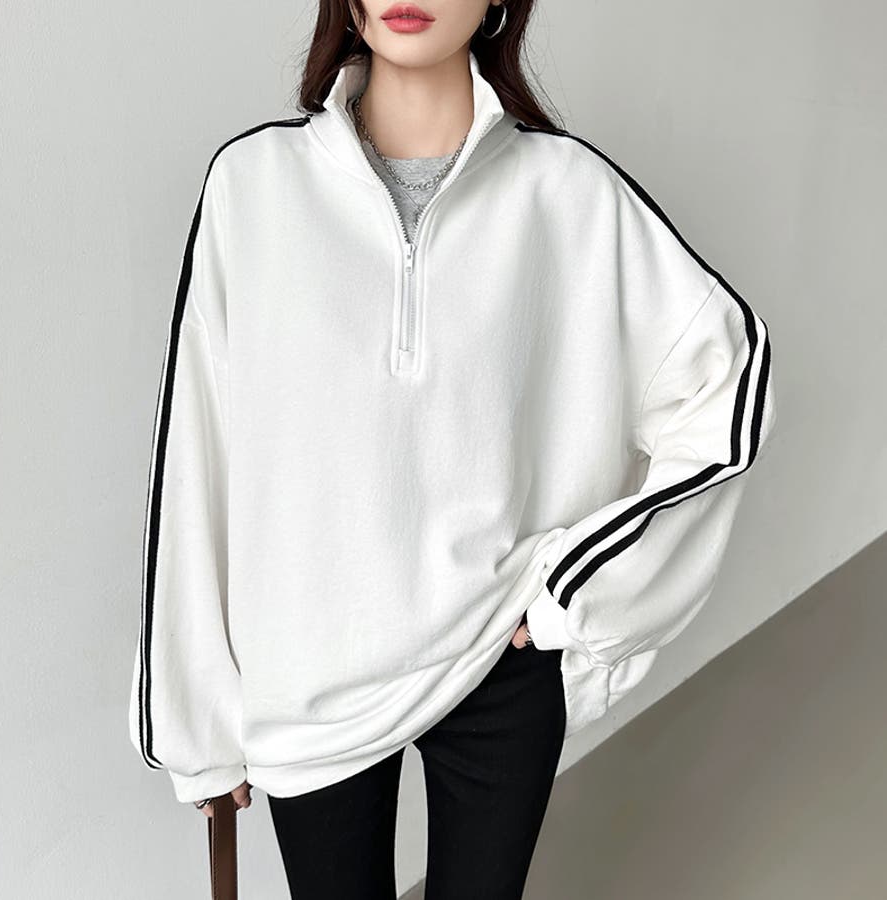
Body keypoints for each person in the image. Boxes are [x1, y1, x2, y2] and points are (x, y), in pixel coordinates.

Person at [128, 0, 778, 896]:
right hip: (310, 674)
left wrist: (580, 589)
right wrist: (194, 723)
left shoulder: (570, 193)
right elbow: (196, 449)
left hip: (498, 658)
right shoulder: (254, 186)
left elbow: (726, 381)